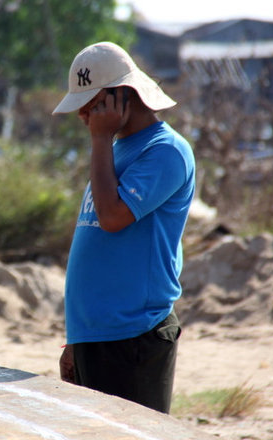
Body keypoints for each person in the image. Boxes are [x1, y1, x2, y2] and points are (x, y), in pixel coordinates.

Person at [52, 42, 195, 413]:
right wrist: (76, 340)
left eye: (90, 102)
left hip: (133, 336)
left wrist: (100, 138)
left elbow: (112, 217)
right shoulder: (116, 150)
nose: (82, 113)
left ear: (120, 97)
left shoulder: (165, 151)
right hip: (96, 336)